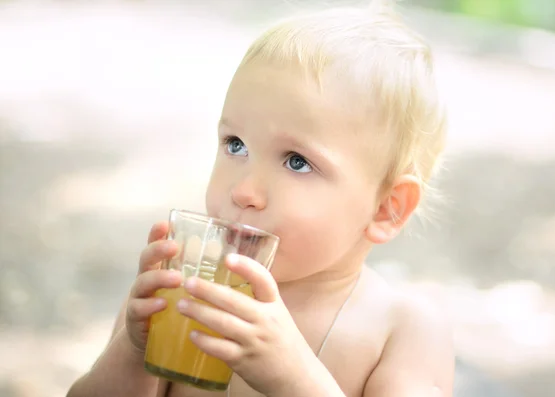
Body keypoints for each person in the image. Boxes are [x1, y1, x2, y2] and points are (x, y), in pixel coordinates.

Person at [68, 1, 454, 396]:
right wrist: (133, 349)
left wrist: (294, 378)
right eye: (235, 145)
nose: (244, 190)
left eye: (298, 162)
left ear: (387, 208)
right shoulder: (187, 286)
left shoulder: (402, 330)